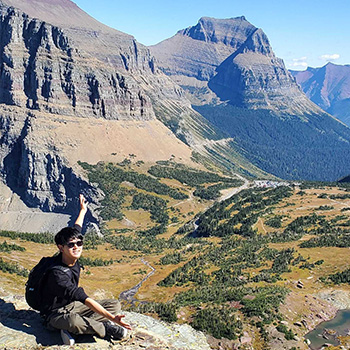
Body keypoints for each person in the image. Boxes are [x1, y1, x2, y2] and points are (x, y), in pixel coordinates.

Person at [40, 194, 131, 345]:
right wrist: (111, 319)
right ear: (60, 248)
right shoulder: (57, 273)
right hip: (54, 314)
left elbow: (77, 228)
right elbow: (84, 298)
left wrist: (82, 210)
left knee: (114, 305)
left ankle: (74, 328)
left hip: (72, 306)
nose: (76, 247)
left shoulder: (70, 254)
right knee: (74, 320)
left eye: (79, 243)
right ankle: (104, 328)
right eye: (71, 245)